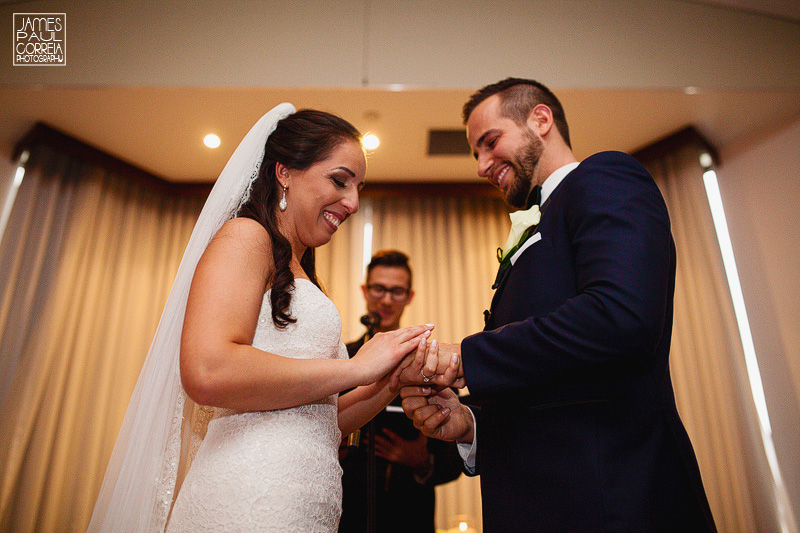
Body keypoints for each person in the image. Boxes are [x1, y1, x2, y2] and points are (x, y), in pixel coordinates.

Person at [88, 104, 433, 532]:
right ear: (284, 172)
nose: (354, 202)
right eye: (340, 181)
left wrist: (391, 381)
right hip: (250, 495)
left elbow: (319, 418)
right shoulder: (246, 236)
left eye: (359, 186)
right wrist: (355, 368)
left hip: (301, 501)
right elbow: (207, 370)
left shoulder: (301, 268)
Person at [395, 78, 718, 531]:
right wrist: (470, 425)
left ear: (540, 119)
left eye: (490, 142)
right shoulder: (541, 217)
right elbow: (554, 391)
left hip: (611, 504)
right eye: (477, 154)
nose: (483, 165)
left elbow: (620, 317)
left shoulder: (605, 177)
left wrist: (466, 355)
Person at [338, 250, 461, 533]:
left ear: (409, 296)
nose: (386, 300)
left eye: (397, 291)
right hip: (347, 513)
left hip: (410, 514)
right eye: (379, 288)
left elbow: (456, 453)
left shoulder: (428, 363)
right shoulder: (341, 359)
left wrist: (422, 460)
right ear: (365, 290)